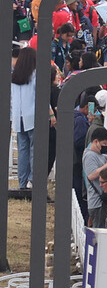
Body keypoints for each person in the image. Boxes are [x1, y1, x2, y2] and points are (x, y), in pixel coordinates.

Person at [12, 46, 46, 189]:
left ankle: (22, 182)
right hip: (33, 116)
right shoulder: (36, 75)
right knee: (34, 150)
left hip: (17, 117)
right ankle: (33, 180)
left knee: (22, 151)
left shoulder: (13, 76)